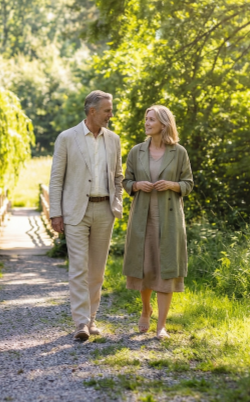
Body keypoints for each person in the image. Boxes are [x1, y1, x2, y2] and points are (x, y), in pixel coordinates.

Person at [49, 91, 123, 341]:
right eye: (107, 111)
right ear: (92, 111)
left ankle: (92, 319)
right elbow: (56, 178)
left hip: (104, 211)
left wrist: (117, 204)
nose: (111, 115)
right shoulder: (67, 138)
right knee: (79, 268)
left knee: (98, 271)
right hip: (75, 212)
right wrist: (55, 213)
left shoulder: (113, 139)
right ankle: (80, 322)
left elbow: (118, 177)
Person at [122, 105, 193, 340]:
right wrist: (136, 185)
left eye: (151, 119)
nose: (147, 122)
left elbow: (188, 183)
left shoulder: (179, 152)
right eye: (146, 118)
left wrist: (173, 185)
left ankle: (161, 325)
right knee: (146, 266)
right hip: (143, 217)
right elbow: (126, 180)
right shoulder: (136, 151)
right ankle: (145, 309)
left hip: (169, 218)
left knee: (166, 269)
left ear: (164, 124)